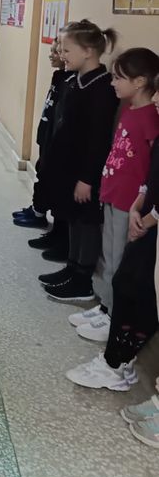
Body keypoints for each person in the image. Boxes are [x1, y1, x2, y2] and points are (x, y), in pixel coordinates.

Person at [66, 75, 159, 392]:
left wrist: (149, 217)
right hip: (139, 210)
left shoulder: (150, 121)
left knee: (132, 286)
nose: (155, 99)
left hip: (146, 220)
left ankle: (117, 363)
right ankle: (118, 358)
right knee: (123, 278)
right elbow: (152, 175)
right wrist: (140, 202)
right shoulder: (142, 117)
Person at [39, 20, 119, 302]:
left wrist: (87, 178)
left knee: (86, 222)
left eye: (66, 49)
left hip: (86, 172)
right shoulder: (75, 81)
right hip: (68, 166)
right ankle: (71, 268)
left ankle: (83, 279)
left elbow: (98, 140)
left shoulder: (103, 88)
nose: (62, 54)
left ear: (88, 51)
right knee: (72, 217)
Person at [14, 39, 71, 264]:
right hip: (47, 137)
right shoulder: (59, 77)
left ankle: (48, 222)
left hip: (59, 146)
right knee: (43, 175)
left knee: (55, 185)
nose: (53, 55)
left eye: (58, 51)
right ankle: (40, 212)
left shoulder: (73, 82)